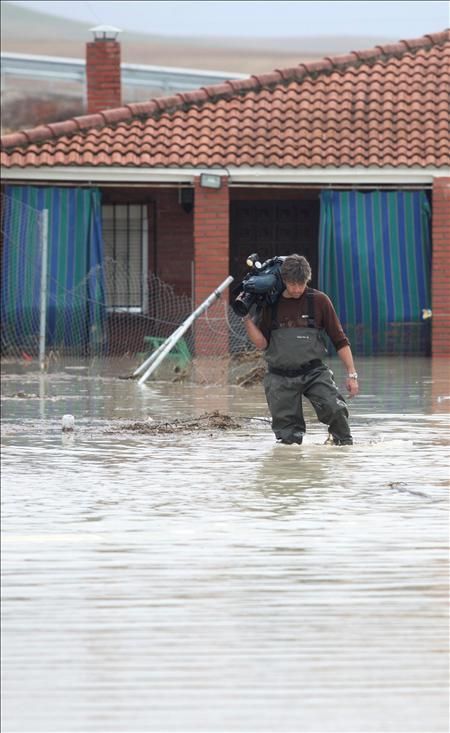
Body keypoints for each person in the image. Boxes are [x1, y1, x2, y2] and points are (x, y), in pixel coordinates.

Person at [242, 254, 359, 445]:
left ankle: (341, 446)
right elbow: (262, 344)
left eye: (301, 284)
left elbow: (340, 340)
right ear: (284, 280)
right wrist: (246, 319)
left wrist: (351, 374)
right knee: (288, 439)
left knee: (335, 410)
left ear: (308, 280)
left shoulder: (319, 301)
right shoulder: (271, 304)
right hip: (279, 377)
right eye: (292, 284)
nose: (297, 289)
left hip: (314, 372)